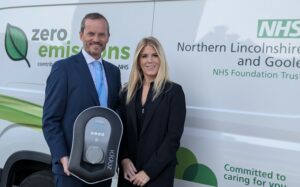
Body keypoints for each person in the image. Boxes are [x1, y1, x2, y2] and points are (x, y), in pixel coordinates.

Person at [42, 12, 121, 187]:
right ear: (81, 35)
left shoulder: (113, 72)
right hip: (71, 167)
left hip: (102, 168)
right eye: (90, 34)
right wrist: (62, 156)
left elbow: (114, 116)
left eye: (101, 34)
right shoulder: (63, 69)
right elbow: (50, 120)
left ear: (108, 37)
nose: (96, 39)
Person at [117, 36, 186, 187]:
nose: (150, 60)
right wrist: (123, 159)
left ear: (161, 59)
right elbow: (121, 131)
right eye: (144, 56)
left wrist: (149, 171)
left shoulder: (174, 92)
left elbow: (172, 138)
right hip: (129, 172)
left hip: (158, 175)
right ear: (138, 61)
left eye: (155, 55)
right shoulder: (127, 91)